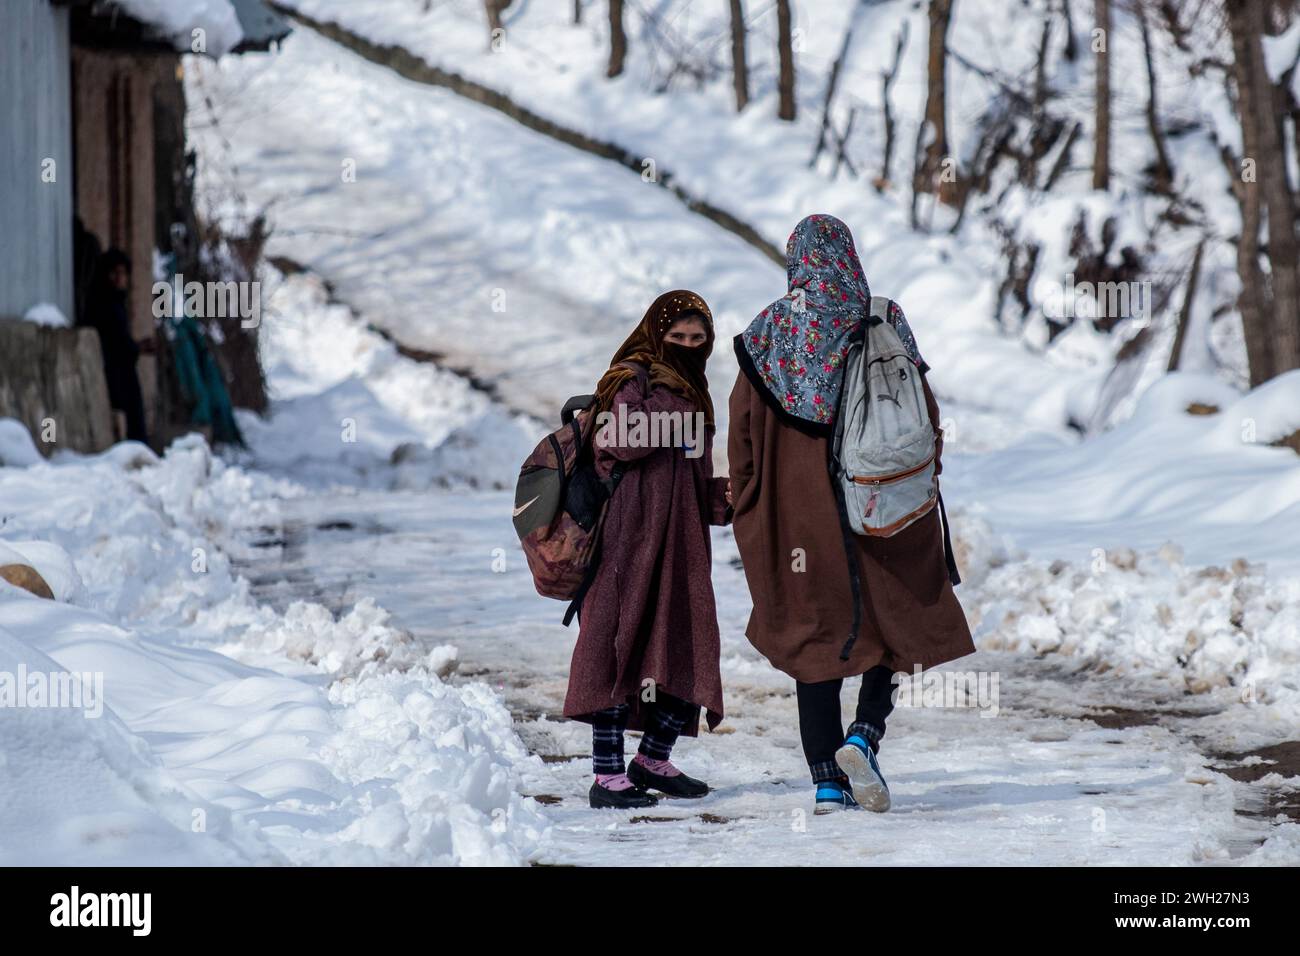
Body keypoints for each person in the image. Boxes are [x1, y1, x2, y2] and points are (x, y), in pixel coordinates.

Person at [727, 214, 975, 814]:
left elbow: (742, 440)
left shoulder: (768, 334)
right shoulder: (882, 318)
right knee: (888, 623)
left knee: (816, 637)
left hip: (800, 518)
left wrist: (750, 506)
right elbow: (924, 414)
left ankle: (825, 782)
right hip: (881, 502)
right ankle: (864, 734)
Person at [563, 290, 732, 809]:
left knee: (686, 638)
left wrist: (722, 497)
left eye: (697, 339)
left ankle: (652, 759)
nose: (686, 345)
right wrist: (677, 404)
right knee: (620, 643)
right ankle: (607, 776)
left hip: (681, 540)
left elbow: (693, 466)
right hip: (627, 537)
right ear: (655, 334)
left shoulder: (691, 389)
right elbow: (622, 440)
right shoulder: (628, 377)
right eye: (676, 336)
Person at [81, 248, 150, 444]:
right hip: (112, 371)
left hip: (119, 369)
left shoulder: (115, 302)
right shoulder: (104, 303)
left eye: (123, 273)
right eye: (115, 273)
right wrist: (137, 348)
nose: (119, 279)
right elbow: (115, 343)